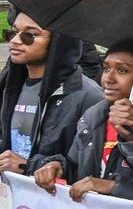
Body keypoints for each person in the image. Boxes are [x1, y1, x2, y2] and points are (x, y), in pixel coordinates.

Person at [33, 40, 133, 202]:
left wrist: (112, 186)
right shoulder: (93, 116)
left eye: (122, 70)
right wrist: (59, 167)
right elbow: (77, 167)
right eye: (106, 68)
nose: (108, 78)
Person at [0, 10, 102, 177]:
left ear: (58, 43)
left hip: (55, 199)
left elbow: (91, 169)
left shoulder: (89, 96)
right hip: (13, 197)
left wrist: (27, 166)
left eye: (30, 35)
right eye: (12, 32)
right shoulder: (10, 87)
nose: (15, 41)